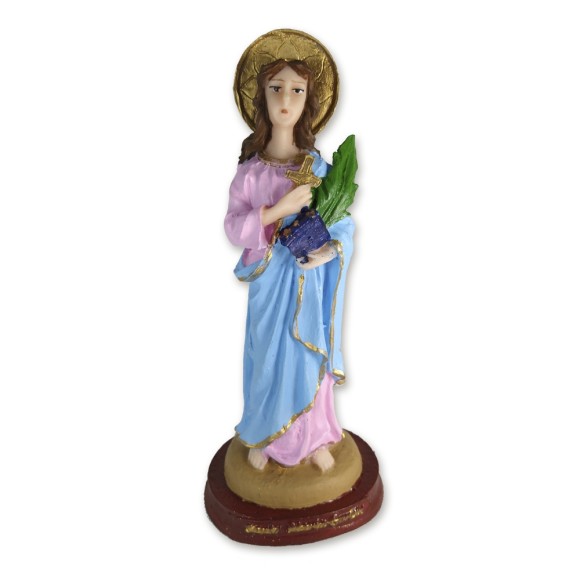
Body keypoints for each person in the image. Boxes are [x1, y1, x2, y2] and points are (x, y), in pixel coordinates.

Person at [225, 55, 354, 473]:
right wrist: (277, 210)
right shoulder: (250, 174)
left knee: (305, 354)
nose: (285, 99)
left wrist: (329, 252)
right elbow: (233, 226)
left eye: (297, 90)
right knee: (267, 356)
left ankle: (313, 438)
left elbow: (344, 225)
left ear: (308, 101)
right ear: (261, 98)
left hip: (307, 284)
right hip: (269, 284)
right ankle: (265, 433)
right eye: (276, 89)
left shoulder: (316, 168)